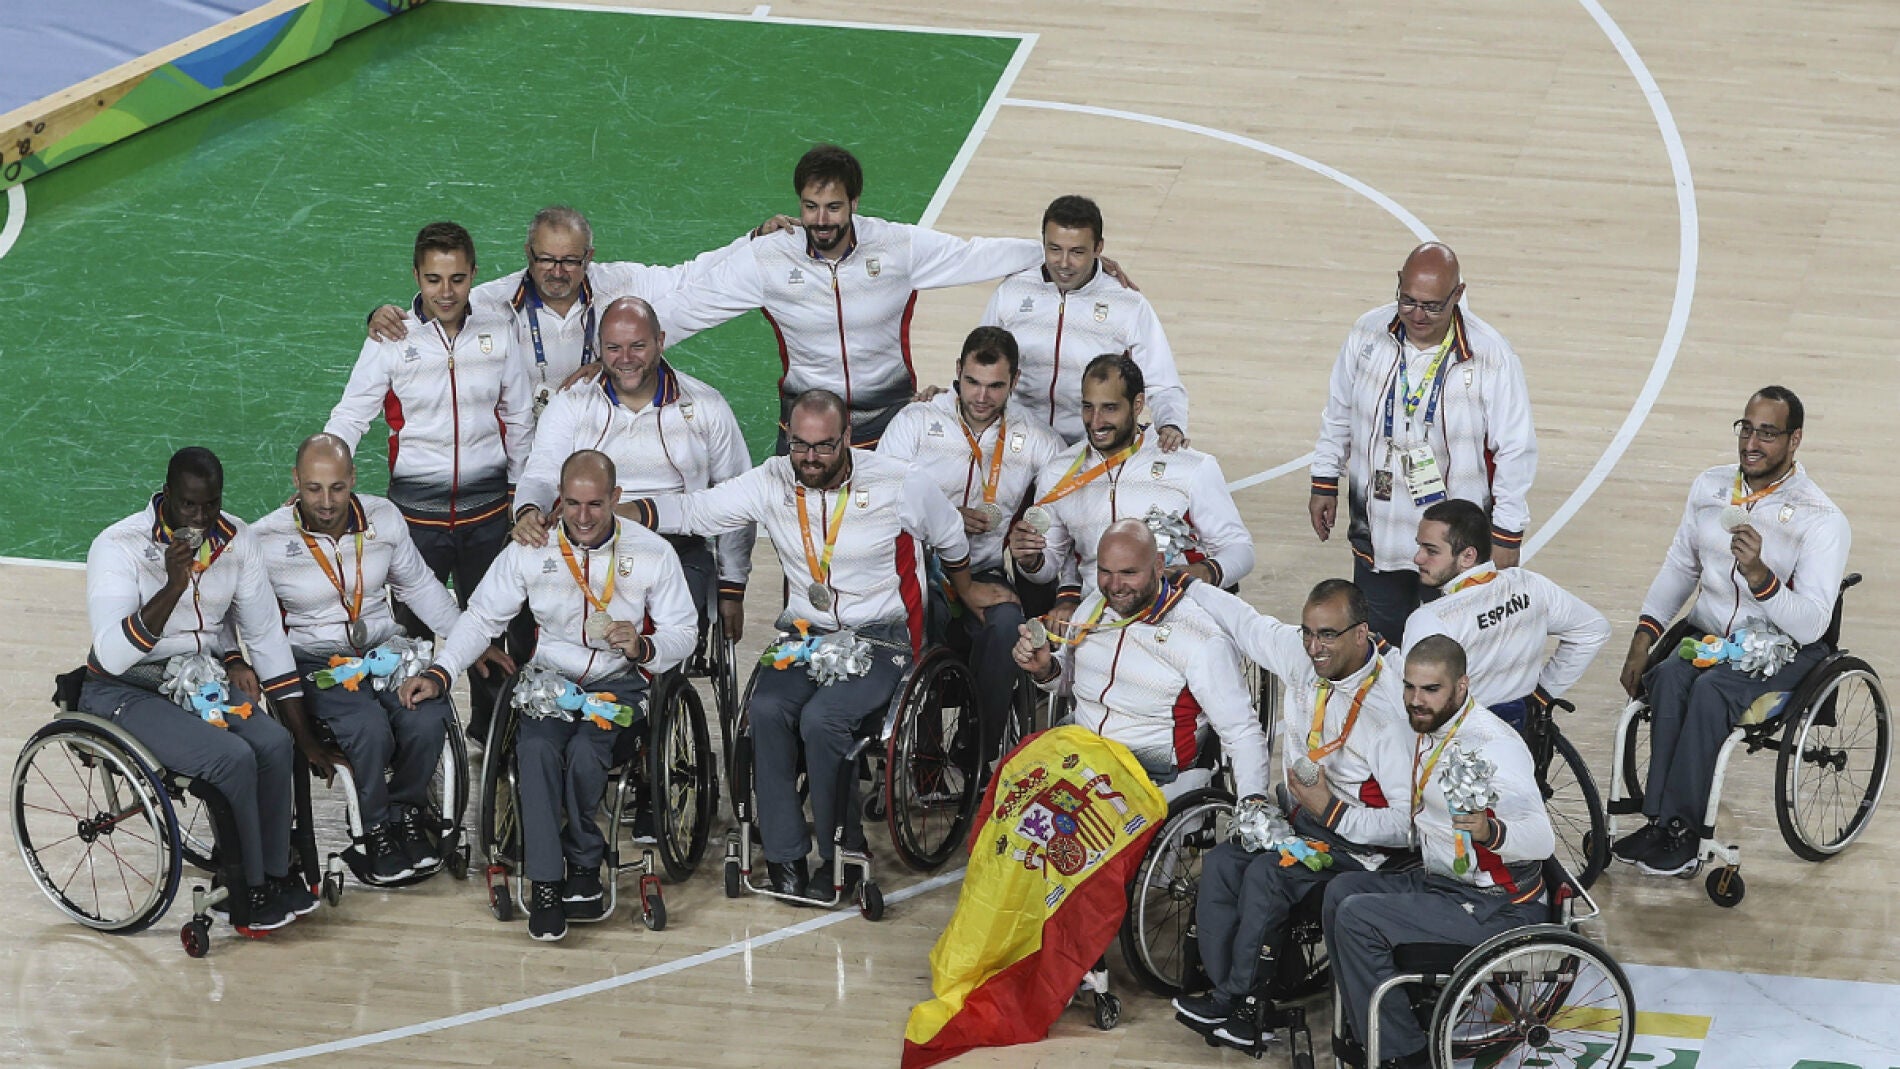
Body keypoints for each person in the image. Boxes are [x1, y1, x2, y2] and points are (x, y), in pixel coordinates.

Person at [618, 390, 1016, 897]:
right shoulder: (772, 480)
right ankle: (785, 856)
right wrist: (623, 511)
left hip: (881, 639)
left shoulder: (900, 484)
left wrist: (964, 587)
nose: (810, 459)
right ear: (788, 437)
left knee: (822, 719)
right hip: (803, 637)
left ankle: (842, 850)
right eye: (800, 446)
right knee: (764, 710)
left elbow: (950, 537)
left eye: (824, 447)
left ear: (847, 438)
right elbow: (699, 511)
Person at [397, 451, 696, 941]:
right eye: (572, 503)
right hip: (550, 681)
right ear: (559, 499)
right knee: (535, 749)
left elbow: (684, 631)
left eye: (595, 504)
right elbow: (480, 620)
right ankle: (549, 882)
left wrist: (646, 646)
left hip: (618, 681)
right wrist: (441, 672)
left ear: (616, 499)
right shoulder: (531, 550)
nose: (582, 516)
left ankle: (582, 863)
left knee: (584, 751)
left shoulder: (652, 552)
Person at [651, 143, 1048, 449]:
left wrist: (1062, 254)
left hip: (890, 426)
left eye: (833, 207)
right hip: (806, 429)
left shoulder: (897, 248)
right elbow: (688, 309)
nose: (821, 221)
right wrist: (614, 352)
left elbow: (975, 254)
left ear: (854, 204)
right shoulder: (768, 259)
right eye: (811, 207)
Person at [81, 447, 330, 933]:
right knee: (230, 758)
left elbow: (265, 637)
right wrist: (173, 584)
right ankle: (243, 887)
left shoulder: (237, 541)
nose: (199, 518)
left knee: (275, 744)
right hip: (124, 690)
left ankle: (275, 873)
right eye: (189, 506)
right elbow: (111, 654)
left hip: (197, 682)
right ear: (167, 496)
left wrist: (301, 732)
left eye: (210, 505)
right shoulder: (118, 545)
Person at [1611, 386, 1848, 877]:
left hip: (1784, 649)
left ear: (1794, 439)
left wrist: (1762, 578)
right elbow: (1680, 566)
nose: (1751, 443)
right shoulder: (1710, 487)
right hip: (1711, 634)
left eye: (1768, 432)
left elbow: (1812, 623)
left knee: (1712, 691)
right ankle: (1660, 821)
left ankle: (1684, 829)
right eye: (1746, 428)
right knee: (1671, 680)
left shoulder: (1822, 520)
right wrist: (1642, 639)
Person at [1171, 579, 1412, 1051]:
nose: (1313, 647)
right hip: (1301, 821)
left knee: (1267, 874)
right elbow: (1247, 624)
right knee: (1221, 863)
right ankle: (1223, 994)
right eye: (1307, 632)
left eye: (1327, 635)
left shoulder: (1389, 716)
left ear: (1361, 633)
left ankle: (1248, 1005)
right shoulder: (1303, 658)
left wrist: (1336, 812)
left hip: (1358, 847)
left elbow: (1409, 826)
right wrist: (1184, 582)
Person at [252, 434, 507, 882]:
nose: (326, 502)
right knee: (367, 725)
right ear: (295, 481)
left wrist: (467, 637)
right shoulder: (265, 540)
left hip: (383, 652)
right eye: (313, 488)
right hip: (317, 663)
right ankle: (372, 832)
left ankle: (405, 811)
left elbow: (420, 586)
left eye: (336, 487)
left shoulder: (383, 519)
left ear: (353, 479)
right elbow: (255, 628)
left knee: (426, 717)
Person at [325, 221, 535, 737]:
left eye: (458, 279)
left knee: (499, 633)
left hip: (489, 519)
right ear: (416, 275)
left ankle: (494, 740)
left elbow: (521, 419)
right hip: (414, 525)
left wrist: (525, 499)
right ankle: (415, 744)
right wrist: (324, 474)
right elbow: (351, 416)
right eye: (434, 279)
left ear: (473, 275)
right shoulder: (390, 338)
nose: (446, 292)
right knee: (411, 640)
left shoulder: (498, 329)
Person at [1322, 635, 1555, 1069]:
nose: (1416, 700)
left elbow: (1543, 841)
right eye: (1409, 687)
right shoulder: (1433, 727)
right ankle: (1371, 1029)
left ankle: (1405, 1056)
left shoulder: (1492, 747)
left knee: (1357, 916)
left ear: (1462, 686)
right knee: (1340, 892)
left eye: (1431, 689)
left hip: (1499, 906)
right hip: (1446, 882)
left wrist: (1491, 831)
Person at [1308, 243, 1537, 646]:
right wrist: (1324, 479)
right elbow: (1339, 411)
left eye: (1432, 307)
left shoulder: (1492, 357)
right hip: (1380, 532)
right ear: (1397, 283)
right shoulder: (1366, 333)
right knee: (1379, 649)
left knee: (1446, 653)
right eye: (1408, 301)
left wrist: (1506, 535)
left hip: (1454, 547)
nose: (1417, 315)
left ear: (1458, 295)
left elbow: (1515, 450)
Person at [364, 205, 782, 415]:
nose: (557, 272)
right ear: (527, 253)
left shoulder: (617, 283)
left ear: (589, 257)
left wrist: (753, 241)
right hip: (526, 449)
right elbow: (444, 304)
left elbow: (689, 276)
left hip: (599, 437)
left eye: (571, 261)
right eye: (546, 259)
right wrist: (393, 314)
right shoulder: (497, 300)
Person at [511, 296, 755, 648]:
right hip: (584, 546)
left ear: (660, 340)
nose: (625, 360)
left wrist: (732, 588)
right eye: (613, 348)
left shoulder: (706, 406)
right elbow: (541, 474)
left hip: (676, 549)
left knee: (669, 633)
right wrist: (530, 509)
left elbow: (736, 498)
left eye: (638, 346)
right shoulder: (571, 404)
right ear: (600, 348)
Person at [878, 326, 1065, 768]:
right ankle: (920, 757)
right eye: (973, 382)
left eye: (996, 385)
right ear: (957, 372)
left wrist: (1034, 546)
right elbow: (879, 500)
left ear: (1015, 381)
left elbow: (1072, 490)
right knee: (925, 614)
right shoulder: (916, 422)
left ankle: (976, 754)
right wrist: (943, 515)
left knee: (1008, 625)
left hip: (982, 573)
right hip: (917, 569)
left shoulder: (1035, 437)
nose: (982, 396)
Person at [1011, 521, 1269, 796]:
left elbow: (1242, 733)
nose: (1115, 586)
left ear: (1158, 566)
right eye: (1105, 572)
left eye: (1129, 573)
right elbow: (1072, 682)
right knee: (1005, 802)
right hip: (1079, 756)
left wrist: (1253, 806)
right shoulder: (1093, 606)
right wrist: (1045, 669)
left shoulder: (1200, 639)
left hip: (1149, 776)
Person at [1008, 353, 1251, 620]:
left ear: (1137, 404)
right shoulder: (1058, 472)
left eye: (1109, 408)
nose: (1095, 421)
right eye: (1088, 407)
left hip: (1175, 616)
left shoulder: (1189, 466)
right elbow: (1049, 564)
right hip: (1097, 621)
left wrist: (1204, 572)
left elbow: (1239, 548)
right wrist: (1030, 560)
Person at [979, 194, 1190, 450]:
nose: (1064, 263)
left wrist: (1170, 424)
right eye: (1054, 249)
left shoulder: (1128, 305)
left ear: (1099, 248)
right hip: (1018, 442)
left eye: (1077, 252)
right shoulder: (1011, 291)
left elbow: (1163, 382)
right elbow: (978, 363)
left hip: (1093, 446)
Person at [1402, 498, 1609, 731]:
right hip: (1521, 725)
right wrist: (1543, 694)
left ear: (1468, 556)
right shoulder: (1532, 585)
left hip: (1457, 738)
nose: (1417, 558)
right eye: (1419, 546)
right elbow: (1593, 629)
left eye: (1431, 550)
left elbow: (1409, 704)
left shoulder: (1431, 619)